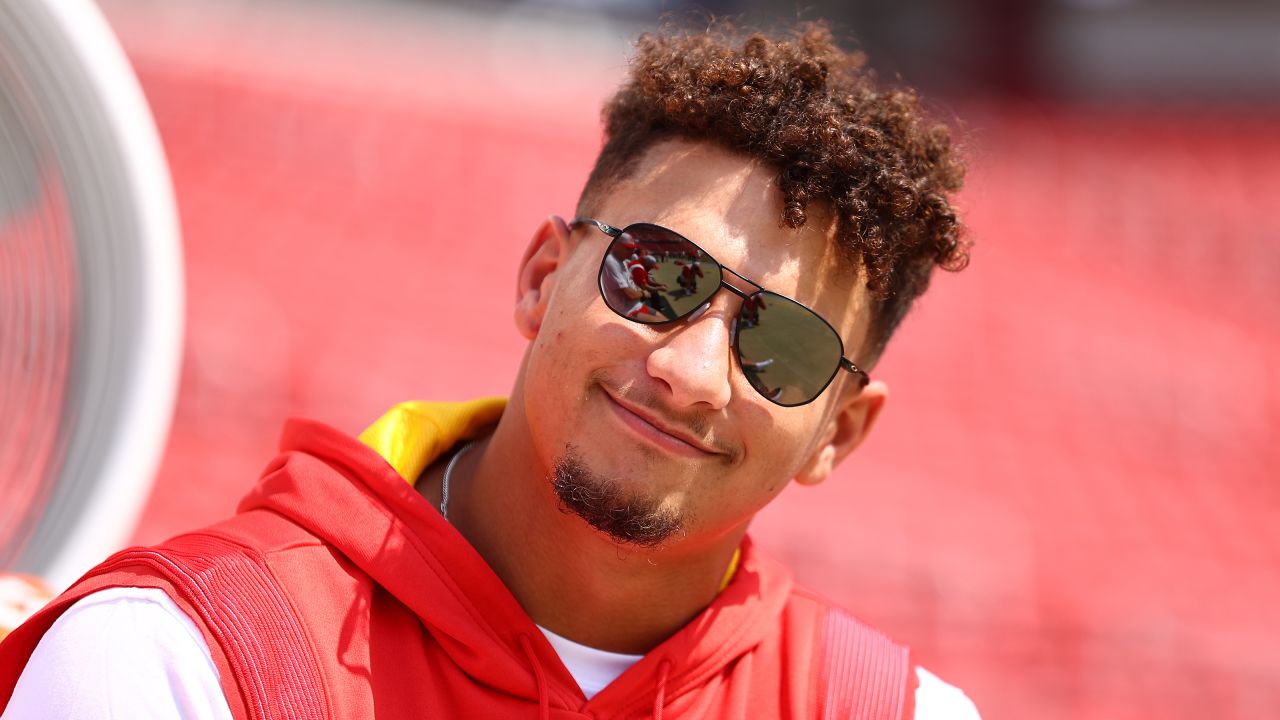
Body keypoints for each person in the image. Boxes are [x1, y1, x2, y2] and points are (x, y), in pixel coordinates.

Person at [0, 19, 978, 720]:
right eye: (655, 275)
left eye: (782, 345)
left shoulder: (893, 711)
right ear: (543, 276)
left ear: (838, 433)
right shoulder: (175, 666)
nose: (689, 369)